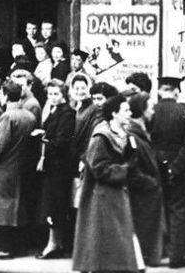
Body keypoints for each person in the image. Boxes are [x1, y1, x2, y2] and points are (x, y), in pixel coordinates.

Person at [72, 94, 143, 273]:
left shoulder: (124, 134)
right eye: (125, 111)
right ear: (114, 114)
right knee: (105, 243)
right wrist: (125, 169)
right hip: (101, 197)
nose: (129, 114)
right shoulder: (101, 137)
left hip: (117, 195)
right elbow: (99, 168)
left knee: (118, 241)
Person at [0, 83, 38, 260]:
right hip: (21, 166)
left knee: (1, 209)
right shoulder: (29, 116)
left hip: (4, 167)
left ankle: (2, 248)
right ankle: (18, 247)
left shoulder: (7, 117)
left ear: (5, 95)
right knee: (17, 207)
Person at [149, 76, 185, 269]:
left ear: (160, 91)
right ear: (177, 92)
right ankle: (176, 257)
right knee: (179, 210)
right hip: (180, 168)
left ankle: (156, 254)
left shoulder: (151, 112)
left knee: (157, 209)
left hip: (155, 167)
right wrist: (175, 166)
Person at [35, 80, 76, 259]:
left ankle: (54, 243)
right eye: (50, 94)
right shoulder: (54, 110)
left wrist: (43, 138)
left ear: (63, 95)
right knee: (52, 203)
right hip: (53, 165)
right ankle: (55, 242)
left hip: (59, 166)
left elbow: (61, 141)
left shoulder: (67, 113)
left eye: (56, 94)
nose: (52, 97)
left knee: (55, 204)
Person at [126, 92, 165, 268]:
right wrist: (150, 183)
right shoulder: (134, 135)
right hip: (144, 194)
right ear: (142, 110)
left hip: (147, 193)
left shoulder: (141, 132)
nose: (153, 112)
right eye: (150, 107)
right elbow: (132, 168)